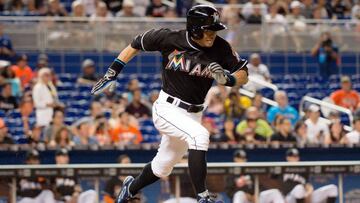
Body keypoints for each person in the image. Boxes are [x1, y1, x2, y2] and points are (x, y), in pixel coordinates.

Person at [91, 4, 249, 203]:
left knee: (162, 167)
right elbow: (136, 44)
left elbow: (244, 74)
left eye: (215, 30)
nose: (212, 35)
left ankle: (129, 189)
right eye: (208, 30)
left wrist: (229, 80)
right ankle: (202, 196)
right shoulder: (170, 38)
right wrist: (113, 71)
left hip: (194, 113)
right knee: (200, 135)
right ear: (194, 28)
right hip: (168, 107)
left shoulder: (221, 47)